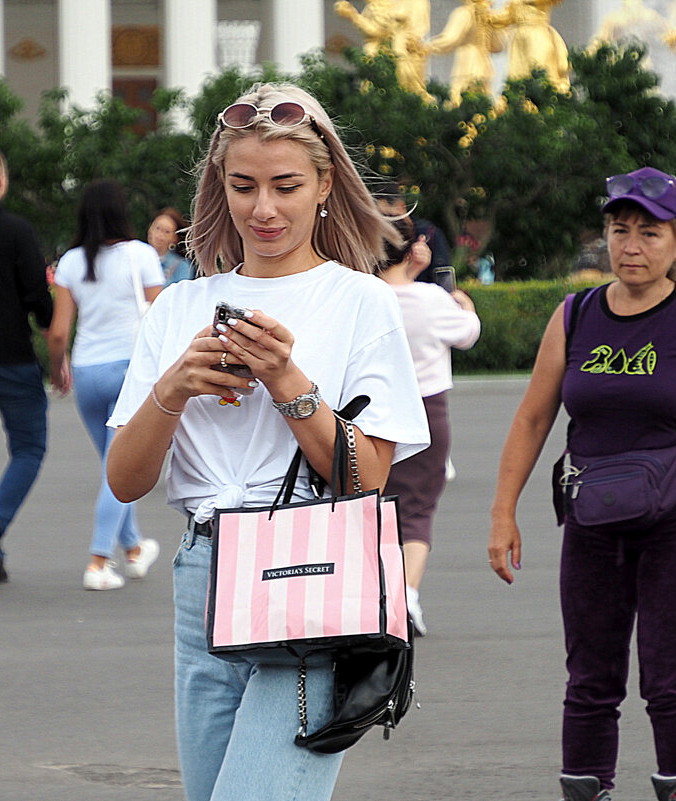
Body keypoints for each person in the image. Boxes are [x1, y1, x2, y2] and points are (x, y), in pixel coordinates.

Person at [105, 83, 429, 801]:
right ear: (221, 188)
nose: (264, 208)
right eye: (243, 185)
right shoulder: (181, 308)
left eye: (286, 185)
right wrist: (175, 386)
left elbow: (367, 479)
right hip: (202, 572)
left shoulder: (360, 301)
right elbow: (125, 480)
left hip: (310, 570)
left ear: (323, 187)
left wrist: (288, 381)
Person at [488, 167, 676, 801]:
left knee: (668, 676)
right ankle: (590, 790)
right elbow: (533, 416)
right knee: (589, 676)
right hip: (594, 520)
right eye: (620, 230)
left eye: (650, 232)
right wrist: (502, 512)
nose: (632, 245)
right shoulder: (576, 314)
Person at [48, 179, 164, 590]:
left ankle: (132, 550)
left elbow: (59, 331)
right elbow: (161, 315)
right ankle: (97, 562)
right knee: (116, 470)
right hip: (128, 370)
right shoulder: (141, 255)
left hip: (87, 371)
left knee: (111, 464)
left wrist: (57, 368)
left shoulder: (71, 262)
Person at [378, 216, 481, 635]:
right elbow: (468, 334)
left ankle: (377, 597)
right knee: (417, 510)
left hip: (373, 413)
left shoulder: (361, 295)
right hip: (427, 411)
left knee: (374, 506)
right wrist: (465, 305)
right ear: (412, 249)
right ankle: (409, 597)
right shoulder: (431, 300)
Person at [0, 145, 58, 584]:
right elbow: (37, 294)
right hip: (12, 357)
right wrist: (54, 332)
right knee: (29, 448)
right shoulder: (16, 230)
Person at [376, 183, 452, 283]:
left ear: (401, 207)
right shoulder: (375, 237)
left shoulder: (429, 233)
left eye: (387, 216)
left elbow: (444, 279)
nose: (385, 222)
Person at [147, 206, 196, 285]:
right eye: (157, 228)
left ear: (174, 238)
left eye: (167, 232)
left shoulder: (182, 267)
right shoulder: (135, 258)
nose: (159, 235)